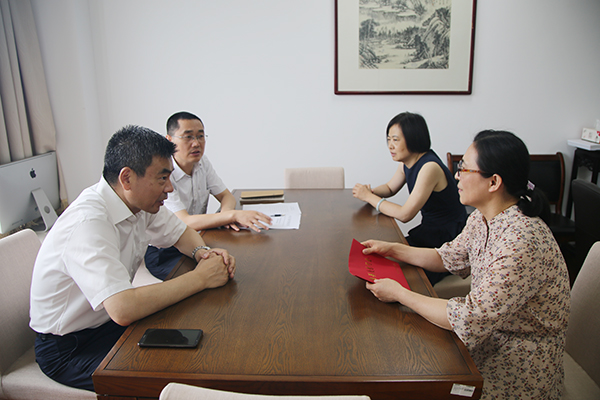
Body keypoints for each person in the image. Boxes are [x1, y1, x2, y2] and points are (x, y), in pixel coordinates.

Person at [360, 130, 570, 399]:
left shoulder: (521, 241)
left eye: (464, 168)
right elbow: (446, 257)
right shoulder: (482, 218)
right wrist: (393, 249)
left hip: (518, 367)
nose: (456, 176)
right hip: (486, 340)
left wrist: (400, 294)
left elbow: (469, 319)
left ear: (493, 182)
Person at [29, 125, 236, 392]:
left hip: (107, 326)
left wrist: (203, 253)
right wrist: (201, 278)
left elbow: (181, 233)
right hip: (70, 348)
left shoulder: (138, 203)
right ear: (127, 178)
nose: (169, 188)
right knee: (182, 381)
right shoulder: (88, 222)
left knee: (202, 341)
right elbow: (124, 308)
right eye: (162, 178)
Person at [144, 111, 271, 280]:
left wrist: (226, 215)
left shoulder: (202, 162)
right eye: (188, 137)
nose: (196, 143)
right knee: (215, 277)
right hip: (166, 251)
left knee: (239, 264)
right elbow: (184, 222)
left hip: (196, 241)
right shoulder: (165, 172)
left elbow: (226, 196)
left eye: (200, 136)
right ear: (169, 140)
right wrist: (231, 216)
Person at [353, 112, 466, 285]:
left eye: (396, 140)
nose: (390, 146)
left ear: (414, 138)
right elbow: (390, 188)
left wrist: (369, 197)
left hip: (446, 239)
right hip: (430, 231)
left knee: (399, 276)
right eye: (388, 139)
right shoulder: (407, 162)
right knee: (376, 261)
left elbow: (405, 214)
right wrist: (371, 191)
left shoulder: (429, 167)